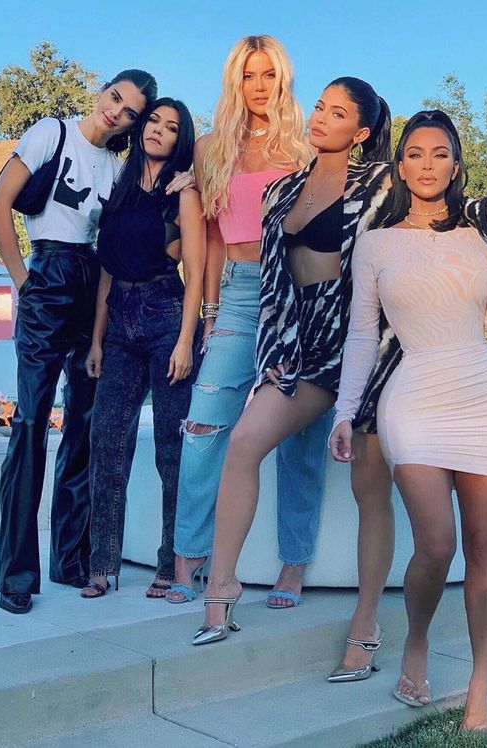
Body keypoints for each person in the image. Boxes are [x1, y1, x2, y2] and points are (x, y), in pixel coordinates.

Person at [192, 77, 487, 647]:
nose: (320, 117)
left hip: (373, 346)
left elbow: (448, 198)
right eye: (320, 107)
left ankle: (365, 622)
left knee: (369, 487)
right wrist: (274, 352)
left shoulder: (381, 181)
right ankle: (221, 588)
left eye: (337, 113)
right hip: (304, 347)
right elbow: (274, 284)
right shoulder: (279, 191)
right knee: (244, 442)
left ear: (360, 132)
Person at [330, 110, 487, 733]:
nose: (427, 164)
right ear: (400, 165)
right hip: (414, 397)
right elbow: (362, 335)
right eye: (415, 153)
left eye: (439, 153)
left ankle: (480, 685)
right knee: (437, 544)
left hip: (484, 397)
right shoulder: (376, 243)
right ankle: (416, 641)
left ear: (455, 163)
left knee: (485, 547)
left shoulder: (480, 239)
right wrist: (345, 412)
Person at [0, 69, 175, 615]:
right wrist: (24, 283)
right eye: (115, 97)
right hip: (46, 273)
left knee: (84, 426)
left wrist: (184, 182)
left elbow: (130, 228)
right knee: (30, 423)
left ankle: (70, 559)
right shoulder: (53, 133)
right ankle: (17, 575)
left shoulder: (117, 169)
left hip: (93, 285)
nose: (117, 111)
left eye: (131, 112)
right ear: (103, 91)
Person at [169, 35, 330, 609]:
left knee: (299, 431)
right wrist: (210, 313)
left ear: (282, 80)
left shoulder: (304, 148)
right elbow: (212, 239)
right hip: (237, 292)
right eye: (248, 76)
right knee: (204, 423)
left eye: (268, 75)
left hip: (297, 292)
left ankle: (293, 563)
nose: (259, 86)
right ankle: (188, 557)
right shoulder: (210, 148)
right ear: (234, 82)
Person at [80, 98, 205, 599]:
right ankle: (103, 564)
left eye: (171, 127)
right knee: (107, 439)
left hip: (166, 313)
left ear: (180, 139)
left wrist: (185, 340)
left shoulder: (183, 193)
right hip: (119, 323)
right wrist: (96, 338)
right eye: (153, 120)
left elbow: (195, 271)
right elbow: (107, 270)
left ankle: (170, 564)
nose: (158, 130)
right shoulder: (120, 188)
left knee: (171, 449)